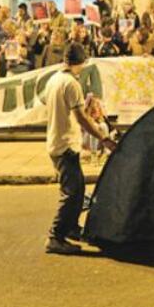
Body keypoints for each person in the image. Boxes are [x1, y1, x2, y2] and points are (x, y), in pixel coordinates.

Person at [44, 43, 117, 254]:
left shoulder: (54, 80)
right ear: (81, 63)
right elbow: (81, 118)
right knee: (72, 193)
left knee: (78, 191)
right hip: (65, 144)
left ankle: (72, 229)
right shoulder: (71, 83)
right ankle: (55, 236)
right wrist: (103, 138)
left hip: (56, 141)